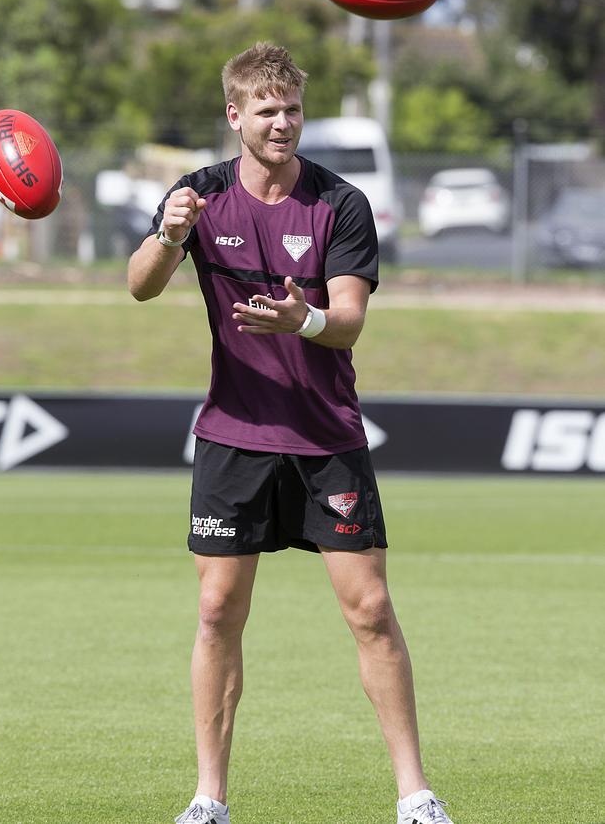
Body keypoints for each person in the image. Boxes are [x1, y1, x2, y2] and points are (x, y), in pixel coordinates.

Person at [128, 42, 454, 824]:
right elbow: (139, 286)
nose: (283, 122)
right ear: (235, 116)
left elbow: (347, 325)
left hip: (325, 436)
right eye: (266, 110)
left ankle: (415, 797)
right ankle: (209, 798)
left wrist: (298, 317)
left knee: (370, 609)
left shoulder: (339, 202)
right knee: (216, 611)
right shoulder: (197, 194)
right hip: (235, 435)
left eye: (293, 110)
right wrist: (169, 236)